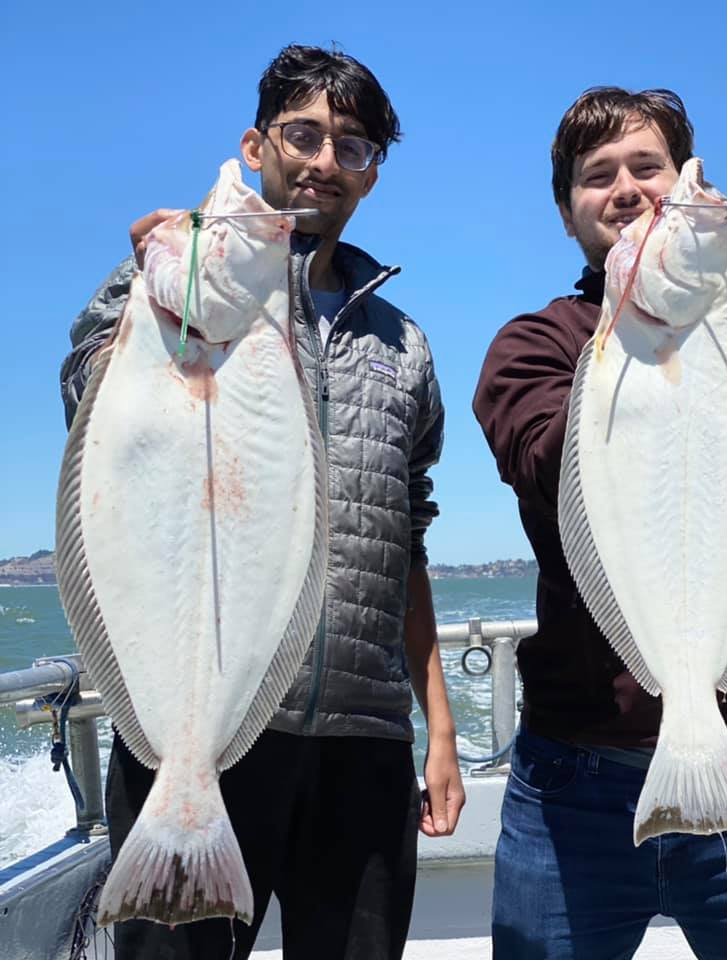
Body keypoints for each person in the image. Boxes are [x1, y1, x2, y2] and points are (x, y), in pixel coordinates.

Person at [60, 44, 465, 960]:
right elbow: (87, 407)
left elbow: (408, 541)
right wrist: (143, 297)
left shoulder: (405, 346)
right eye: (304, 134)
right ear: (256, 145)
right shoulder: (154, 291)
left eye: (353, 146)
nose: (325, 160)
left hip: (364, 736)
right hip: (197, 730)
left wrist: (437, 726)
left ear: (370, 175)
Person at [473, 86, 727, 959]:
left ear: (684, 185)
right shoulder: (538, 346)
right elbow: (543, 458)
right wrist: (633, 329)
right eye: (598, 177)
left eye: (649, 167)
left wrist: (717, 302)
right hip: (573, 776)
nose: (628, 188)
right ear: (569, 215)